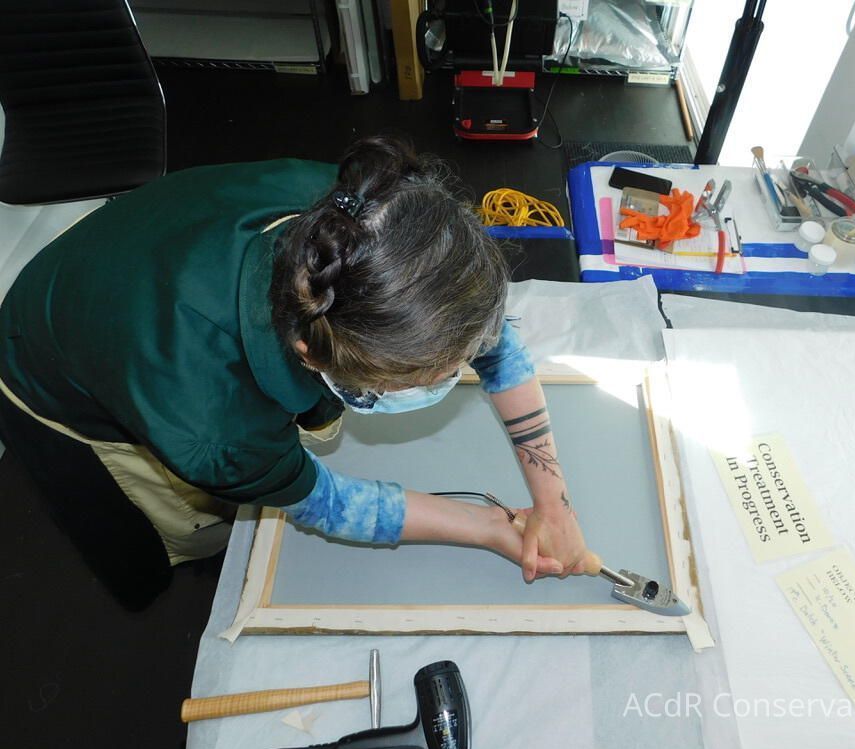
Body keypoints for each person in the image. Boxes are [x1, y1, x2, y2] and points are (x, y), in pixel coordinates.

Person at [0, 137, 587, 608]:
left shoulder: (362, 218)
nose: (453, 375)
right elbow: (323, 500)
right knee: (165, 525)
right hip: (53, 352)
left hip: (140, 246)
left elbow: (481, 333)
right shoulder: (215, 428)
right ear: (312, 354)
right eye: (424, 377)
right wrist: (489, 528)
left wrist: (553, 506)